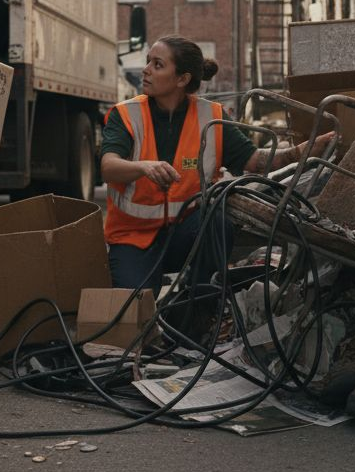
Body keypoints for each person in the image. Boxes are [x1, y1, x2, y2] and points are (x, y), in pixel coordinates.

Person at [100, 36, 335, 293]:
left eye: (157, 65)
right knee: (134, 310)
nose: (145, 70)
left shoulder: (211, 116)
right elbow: (108, 167)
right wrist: (143, 167)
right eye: (148, 62)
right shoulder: (126, 114)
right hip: (133, 238)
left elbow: (254, 161)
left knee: (217, 221)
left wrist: (306, 149)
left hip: (184, 234)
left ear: (182, 79)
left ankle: (197, 307)